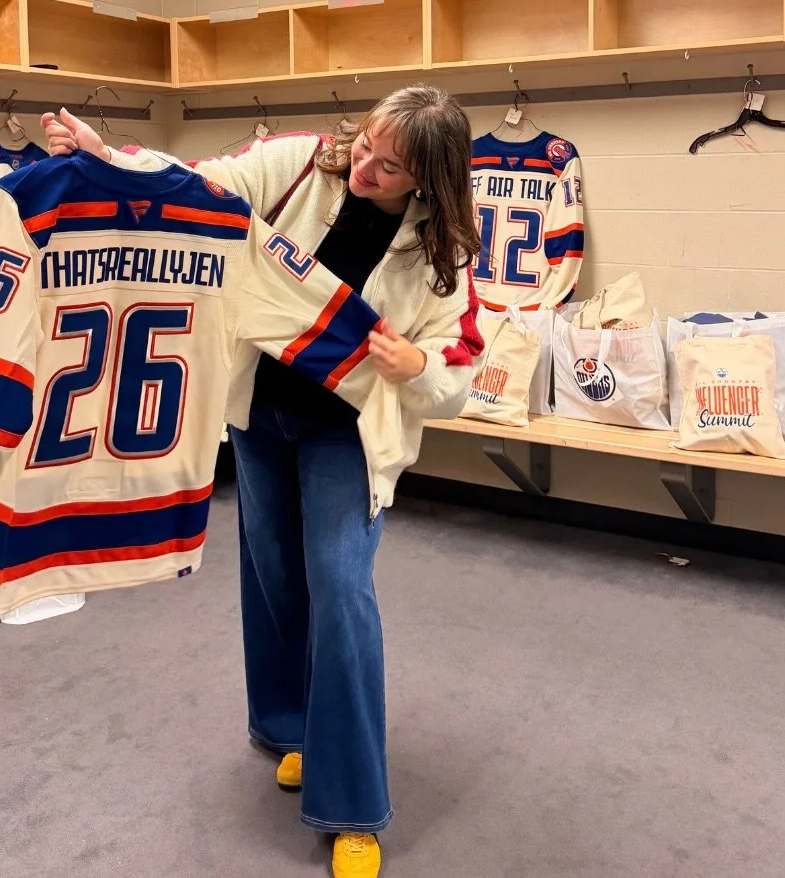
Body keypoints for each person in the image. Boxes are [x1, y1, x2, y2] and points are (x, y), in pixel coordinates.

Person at [41, 86, 483, 878]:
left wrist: (417, 366)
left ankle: (353, 804)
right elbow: (192, 182)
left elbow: (460, 364)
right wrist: (104, 158)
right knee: (274, 576)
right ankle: (291, 729)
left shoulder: (440, 248)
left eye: (392, 167)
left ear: (428, 181)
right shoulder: (299, 161)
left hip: (347, 432)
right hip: (259, 413)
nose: (367, 169)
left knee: (341, 587)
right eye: (370, 146)